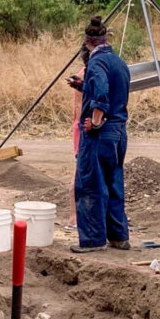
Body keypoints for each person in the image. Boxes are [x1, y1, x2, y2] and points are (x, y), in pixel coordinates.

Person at [71, 17, 131, 253]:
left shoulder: (96, 63)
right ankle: (118, 236)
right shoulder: (118, 61)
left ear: (88, 44)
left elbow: (103, 94)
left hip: (100, 133)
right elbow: (112, 90)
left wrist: (95, 122)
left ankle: (93, 239)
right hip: (118, 131)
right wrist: (83, 86)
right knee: (113, 181)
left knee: (90, 184)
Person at [64, 47, 90, 230]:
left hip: (84, 127)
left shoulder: (88, 72)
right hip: (83, 129)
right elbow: (80, 106)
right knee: (79, 173)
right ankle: (73, 218)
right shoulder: (85, 74)